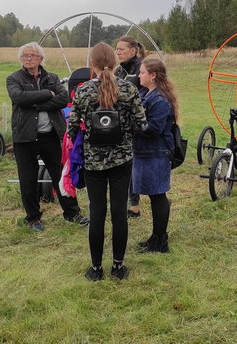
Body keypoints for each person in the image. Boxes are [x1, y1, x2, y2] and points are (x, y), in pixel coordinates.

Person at [68, 42, 147, 281]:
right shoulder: (128, 89)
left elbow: (71, 128)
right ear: (114, 63)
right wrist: (126, 131)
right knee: (119, 213)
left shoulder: (82, 92)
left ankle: (95, 269)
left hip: (94, 162)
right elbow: (142, 125)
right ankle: (118, 267)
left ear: (92, 64)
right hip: (122, 160)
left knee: (97, 212)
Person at [6, 42, 89, 232]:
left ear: (40, 59)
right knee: (28, 179)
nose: (28, 58)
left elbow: (63, 99)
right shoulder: (13, 78)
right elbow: (18, 98)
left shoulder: (52, 77)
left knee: (61, 176)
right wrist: (45, 94)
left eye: (33, 56)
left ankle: (72, 213)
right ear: (21, 59)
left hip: (51, 136)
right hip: (25, 137)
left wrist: (36, 102)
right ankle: (33, 218)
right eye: (25, 55)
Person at [133, 57, 178, 253]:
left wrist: (131, 125)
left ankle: (160, 241)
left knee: (158, 195)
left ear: (153, 75)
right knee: (154, 195)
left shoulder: (159, 99)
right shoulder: (146, 93)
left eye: (142, 72)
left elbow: (154, 128)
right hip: (147, 152)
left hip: (156, 153)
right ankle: (156, 236)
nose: (138, 75)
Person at [116, 36, 145, 218]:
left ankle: (134, 206)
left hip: (136, 121)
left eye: (121, 49)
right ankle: (129, 203)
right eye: (116, 49)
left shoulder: (141, 69)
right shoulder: (119, 70)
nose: (118, 52)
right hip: (121, 122)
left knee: (133, 162)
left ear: (133, 51)